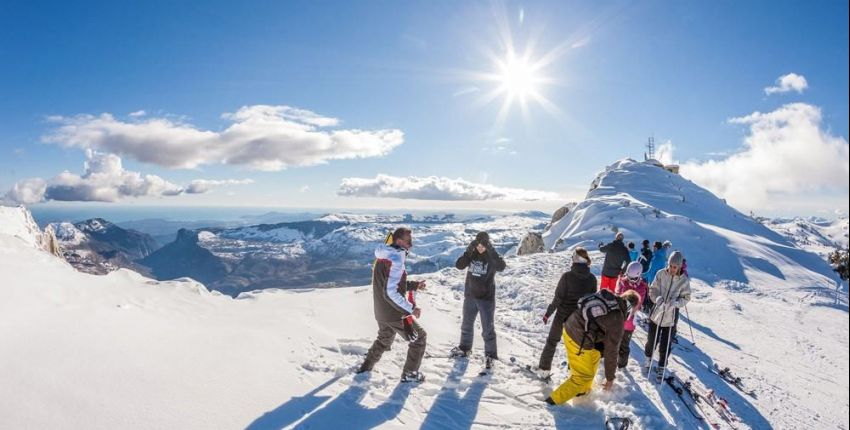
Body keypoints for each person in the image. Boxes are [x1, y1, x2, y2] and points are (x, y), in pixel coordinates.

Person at [544, 289, 641, 406]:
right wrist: (610, 378)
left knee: (595, 355)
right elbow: (612, 351)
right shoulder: (618, 318)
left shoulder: (610, 298)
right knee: (583, 376)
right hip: (578, 339)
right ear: (631, 308)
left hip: (572, 326)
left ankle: (581, 391)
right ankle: (552, 401)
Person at [358, 227, 428, 383]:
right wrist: (411, 308)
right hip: (393, 312)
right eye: (409, 241)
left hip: (381, 310)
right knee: (419, 338)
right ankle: (410, 374)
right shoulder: (395, 259)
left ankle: (365, 367)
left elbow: (392, 284)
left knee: (385, 339)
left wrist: (414, 286)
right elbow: (391, 292)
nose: (411, 244)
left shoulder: (384, 255)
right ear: (399, 241)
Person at [537, 247, 597, 378]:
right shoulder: (592, 279)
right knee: (577, 346)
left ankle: (544, 370)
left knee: (552, 341)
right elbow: (591, 301)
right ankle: (573, 373)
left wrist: (548, 313)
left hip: (563, 314)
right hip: (580, 318)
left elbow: (558, 298)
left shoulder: (567, 277)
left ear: (575, 259)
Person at [450, 231, 507, 370]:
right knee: (466, 325)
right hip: (470, 296)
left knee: (487, 329)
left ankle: (491, 356)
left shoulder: (491, 257)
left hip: (486, 299)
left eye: (483, 245)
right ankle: (464, 348)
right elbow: (459, 265)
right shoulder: (472, 255)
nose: (480, 248)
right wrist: (468, 251)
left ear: (487, 245)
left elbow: (501, 266)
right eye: (478, 245)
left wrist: (491, 250)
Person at [643, 251, 691, 383]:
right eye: (670, 266)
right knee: (652, 340)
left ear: (680, 266)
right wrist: (657, 298)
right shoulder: (660, 274)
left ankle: (662, 366)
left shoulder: (684, 280)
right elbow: (653, 289)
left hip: (670, 316)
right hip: (657, 312)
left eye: (675, 267)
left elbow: (686, 297)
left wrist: (676, 303)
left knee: (665, 343)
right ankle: (648, 359)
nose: (672, 269)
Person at [615, 262, 648, 368]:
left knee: (624, 344)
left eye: (633, 279)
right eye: (629, 278)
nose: (630, 281)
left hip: (629, 322)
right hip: (618, 319)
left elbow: (638, 304)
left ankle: (621, 364)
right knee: (614, 341)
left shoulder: (642, 287)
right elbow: (617, 295)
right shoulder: (622, 281)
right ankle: (611, 358)